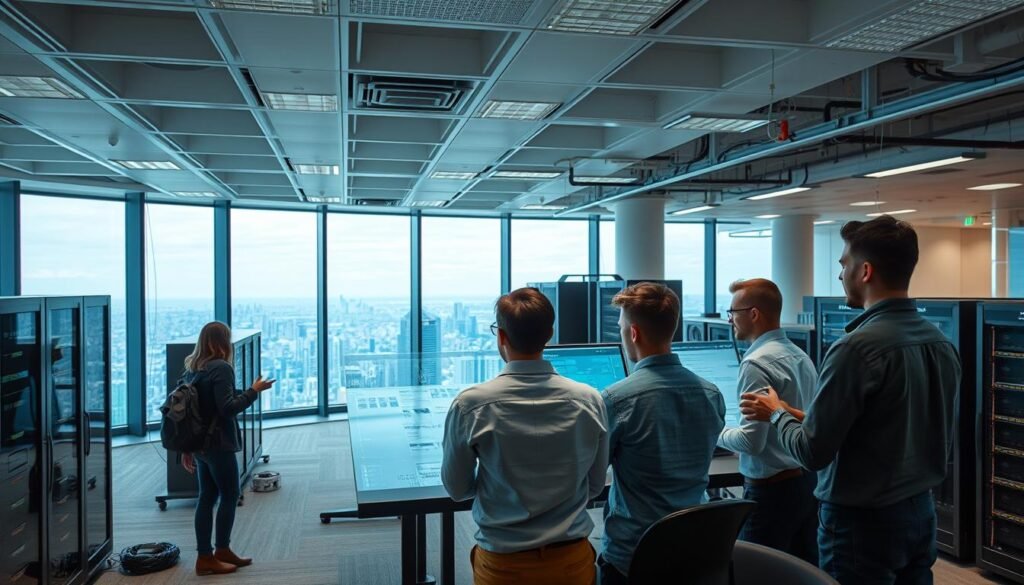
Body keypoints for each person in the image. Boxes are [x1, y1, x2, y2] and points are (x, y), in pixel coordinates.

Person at [739, 216, 961, 585]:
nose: (840, 274)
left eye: (844, 264)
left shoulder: (855, 349)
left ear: (866, 271)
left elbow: (812, 453)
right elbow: (886, 424)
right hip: (921, 513)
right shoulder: (940, 341)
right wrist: (800, 414)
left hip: (862, 525)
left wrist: (776, 413)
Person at [441, 287, 609, 585]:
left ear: (501, 337)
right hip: (572, 564)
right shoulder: (589, 399)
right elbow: (595, 486)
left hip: (503, 567)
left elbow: (457, 488)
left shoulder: (470, 405)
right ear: (550, 334)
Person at [599, 282, 725, 585]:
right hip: (694, 552)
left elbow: (594, 471)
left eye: (621, 327)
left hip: (633, 555)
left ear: (633, 333)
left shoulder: (618, 399)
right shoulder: (712, 394)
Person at [717, 278, 818, 565]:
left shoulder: (755, 364)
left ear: (753, 314)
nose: (730, 320)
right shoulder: (800, 355)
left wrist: (716, 432)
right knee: (804, 571)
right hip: (805, 482)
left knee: (758, 572)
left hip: (772, 492)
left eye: (733, 313)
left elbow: (752, 441)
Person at [179, 321, 275, 576]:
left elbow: (191, 413)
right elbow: (228, 408)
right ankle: (217, 551)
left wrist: (187, 449)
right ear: (222, 342)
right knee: (230, 494)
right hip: (218, 444)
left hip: (200, 445)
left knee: (207, 497)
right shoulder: (221, 368)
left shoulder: (192, 368)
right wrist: (254, 391)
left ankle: (210, 555)